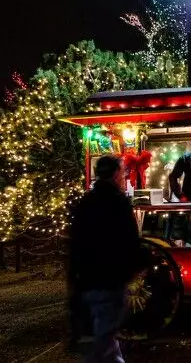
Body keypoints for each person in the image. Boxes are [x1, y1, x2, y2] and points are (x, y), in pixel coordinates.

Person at [69, 155, 142, 363]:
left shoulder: (86, 201)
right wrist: (132, 267)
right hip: (111, 277)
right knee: (105, 335)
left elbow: (76, 242)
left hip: (89, 277)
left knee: (106, 331)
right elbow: (129, 239)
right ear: (116, 174)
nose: (124, 176)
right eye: (122, 172)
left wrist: (74, 275)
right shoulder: (119, 202)